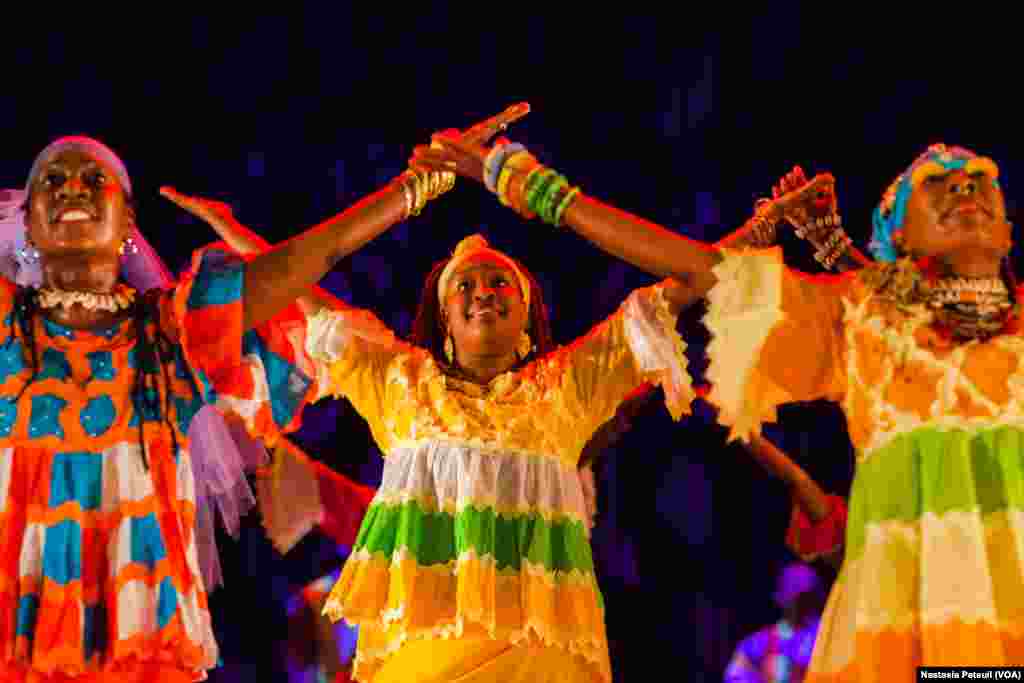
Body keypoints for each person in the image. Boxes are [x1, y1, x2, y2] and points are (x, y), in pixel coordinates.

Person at [416, 133, 1024, 678]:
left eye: (979, 182)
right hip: (900, 631)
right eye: (936, 186)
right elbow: (698, 271)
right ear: (898, 239)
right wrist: (526, 181)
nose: (964, 190)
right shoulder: (857, 316)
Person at [723, 563, 827, 683]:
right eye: (794, 594)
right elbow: (735, 676)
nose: (798, 604)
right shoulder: (760, 641)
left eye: (805, 596)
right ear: (781, 596)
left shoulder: (824, 636)